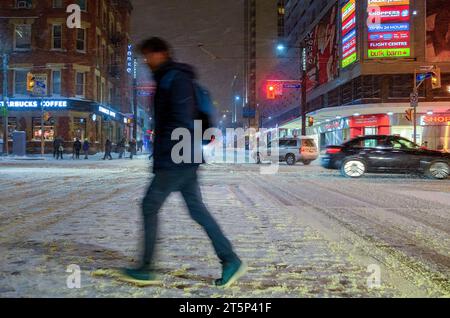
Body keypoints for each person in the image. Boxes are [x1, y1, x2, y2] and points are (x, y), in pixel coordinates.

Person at [117, 37, 245, 287]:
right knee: (197, 210)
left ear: (161, 53)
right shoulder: (168, 78)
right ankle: (230, 259)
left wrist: (169, 153)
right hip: (182, 156)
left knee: (149, 206)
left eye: (149, 56)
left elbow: (181, 119)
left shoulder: (175, 78)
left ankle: (146, 268)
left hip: (177, 157)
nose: (146, 61)